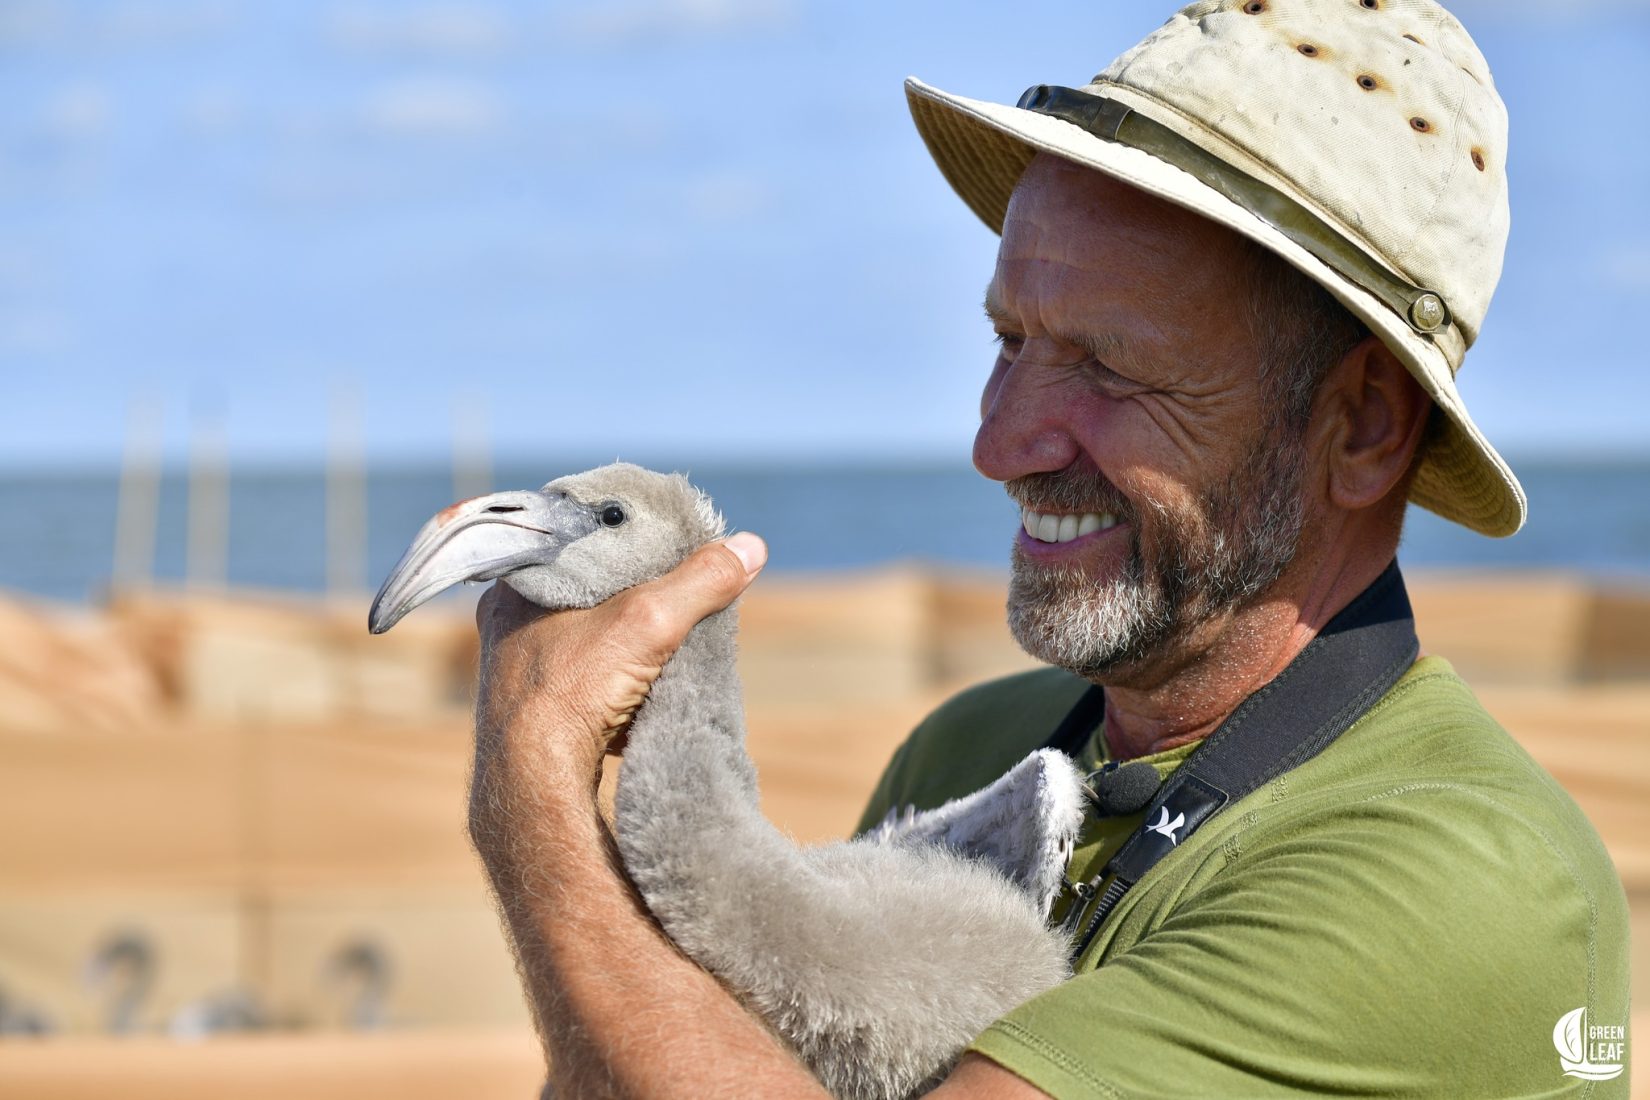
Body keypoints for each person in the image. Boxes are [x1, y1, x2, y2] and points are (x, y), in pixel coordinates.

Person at [468, 0, 1631, 1095]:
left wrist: (535, 795)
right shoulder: (977, 752)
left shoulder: (1460, 878)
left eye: (1110, 363)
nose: (1000, 440)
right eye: (1011, 336)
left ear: (1365, 424)